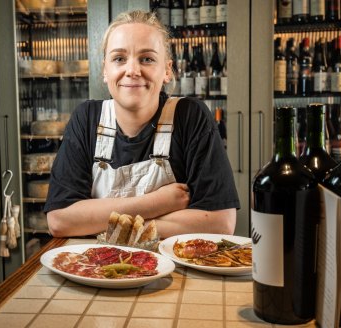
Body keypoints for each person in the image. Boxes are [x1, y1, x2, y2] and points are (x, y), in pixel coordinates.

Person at [44, 10, 239, 238]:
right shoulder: (87, 118)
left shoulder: (190, 116)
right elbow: (59, 220)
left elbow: (220, 223)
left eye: (147, 59)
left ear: (167, 70)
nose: (133, 71)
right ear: (105, 70)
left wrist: (99, 220)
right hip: (98, 268)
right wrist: (158, 202)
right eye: (119, 59)